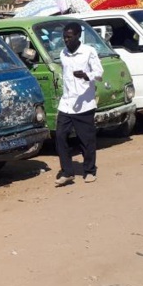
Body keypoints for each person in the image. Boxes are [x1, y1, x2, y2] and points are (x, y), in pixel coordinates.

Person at [54, 22, 103, 187]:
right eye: (64, 37)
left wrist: (86, 75)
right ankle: (67, 172)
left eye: (69, 37)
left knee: (86, 140)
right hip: (66, 103)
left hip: (84, 104)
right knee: (60, 136)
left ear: (78, 36)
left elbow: (99, 73)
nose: (66, 40)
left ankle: (89, 171)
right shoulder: (63, 54)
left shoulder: (89, 52)